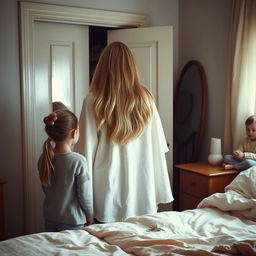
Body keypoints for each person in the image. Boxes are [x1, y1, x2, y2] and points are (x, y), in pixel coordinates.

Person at [75, 41, 173, 223]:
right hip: (141, 191)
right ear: (131, 67)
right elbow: (159, 148)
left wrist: (84, 202)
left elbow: (85, 154)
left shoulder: (92, 101)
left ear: (102, 67)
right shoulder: (146, 99)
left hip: (105, 194)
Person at [38, 109, 94, 232]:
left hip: (50, 219)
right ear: (74, 133)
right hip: (73, 221)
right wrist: (90, 214)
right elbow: (84, 194)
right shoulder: (78, 161)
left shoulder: (44, 158)